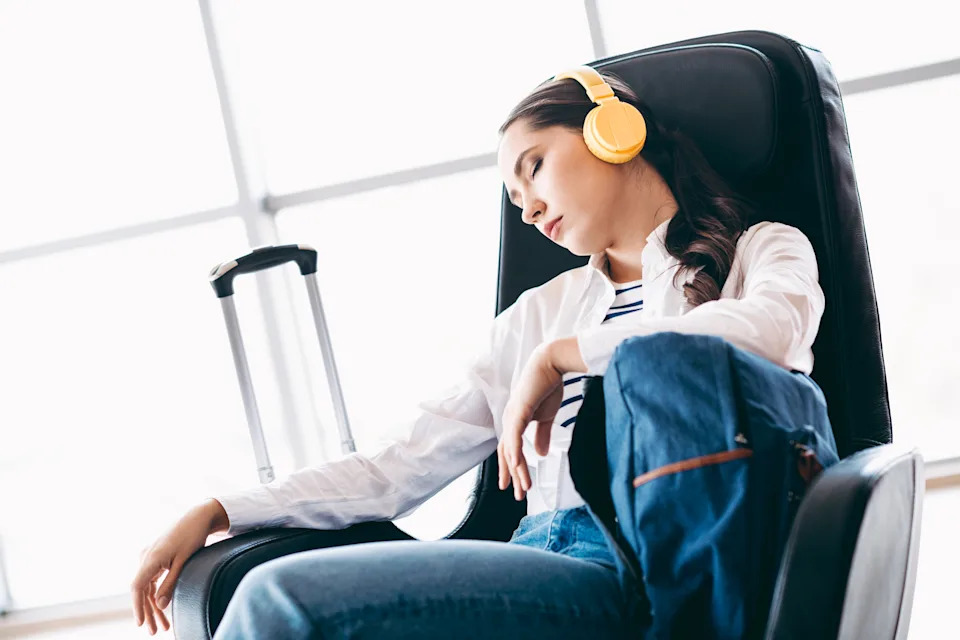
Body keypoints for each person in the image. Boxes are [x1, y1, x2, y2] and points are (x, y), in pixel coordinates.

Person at [130, 67, 825, 638]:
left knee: (280, 604)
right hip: (535, 557)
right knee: (268, 591)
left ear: (615, 131)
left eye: (535, 168)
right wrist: (223, 508)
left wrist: (566, 357)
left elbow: (767, 330)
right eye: (514, 196)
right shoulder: (538, 313)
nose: (527, 210)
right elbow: (391, 467)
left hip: (640, 569)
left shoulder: (760, 250)